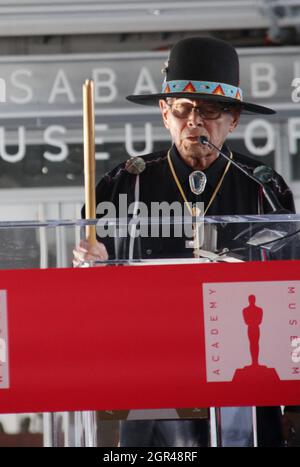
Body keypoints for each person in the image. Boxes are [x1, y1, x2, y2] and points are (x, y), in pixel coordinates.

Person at [73, 37, 297, 446]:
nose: (195, 120)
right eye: (182, 107)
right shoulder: (123, 185)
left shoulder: (265, 189)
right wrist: (93, 266)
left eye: (210, 109)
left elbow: (290, 293)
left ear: (234, 119)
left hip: (241, 369)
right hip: (153, 368)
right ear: (165, 113)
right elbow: (92, 290)